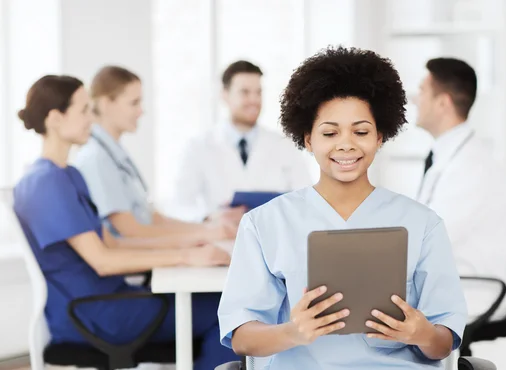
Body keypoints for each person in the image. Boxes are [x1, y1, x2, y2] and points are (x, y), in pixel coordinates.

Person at [217, 47, 467, 369]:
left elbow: (443, 343)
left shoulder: (423, 224)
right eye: (330, 132)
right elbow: (242, 337)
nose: (346, 144)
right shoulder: (264, 224)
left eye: (360, 132)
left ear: (380, 136)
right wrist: (293, 332)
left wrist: (420, 333)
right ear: (307, 139)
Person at [13, 75, 238, 369]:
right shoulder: (45, 182)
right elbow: (103, 261)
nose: (90, 119)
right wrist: (186, 255)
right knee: (230, 311)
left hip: (112, 301)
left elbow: (113, 241)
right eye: (83, 110)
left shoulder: (68, 175)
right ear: (55, 118)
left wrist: (191, 246)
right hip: (96, 314)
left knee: (221, 306)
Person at [73, 66, 235, 245]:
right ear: (105, 104)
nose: (141, 111)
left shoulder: (114, 154)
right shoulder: (97, 158)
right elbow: (130, 231)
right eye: (134, 103)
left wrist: (208, 228)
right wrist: (202, 236)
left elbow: (153, 219)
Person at [414, 58, 506, 321]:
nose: (416, 99)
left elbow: (434, 240)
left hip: (472, 288)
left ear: (442, 103)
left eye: (423, 91)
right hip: (448, 279)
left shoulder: (471, 165)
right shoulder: (449, 154)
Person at [170, 60, 313, 223]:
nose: (254, 100)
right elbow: (179, 205)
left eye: (258, 92)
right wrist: (209, 216)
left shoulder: (284, 145)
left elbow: (305, 200)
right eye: (245, 92)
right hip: (220, 241)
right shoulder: (199, 147)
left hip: (273, 240)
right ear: (224, 94)